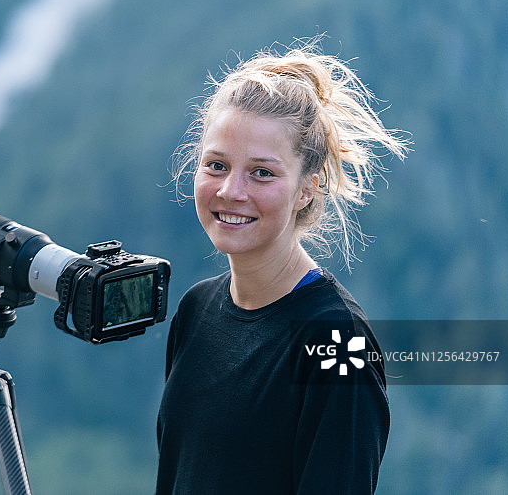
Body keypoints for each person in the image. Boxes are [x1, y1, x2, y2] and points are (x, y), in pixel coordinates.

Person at [155, 39, 408, 494]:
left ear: (308, 188)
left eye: (262, 172)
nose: (232, 191)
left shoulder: (336, 339)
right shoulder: (196, 310)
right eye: (216, 165)